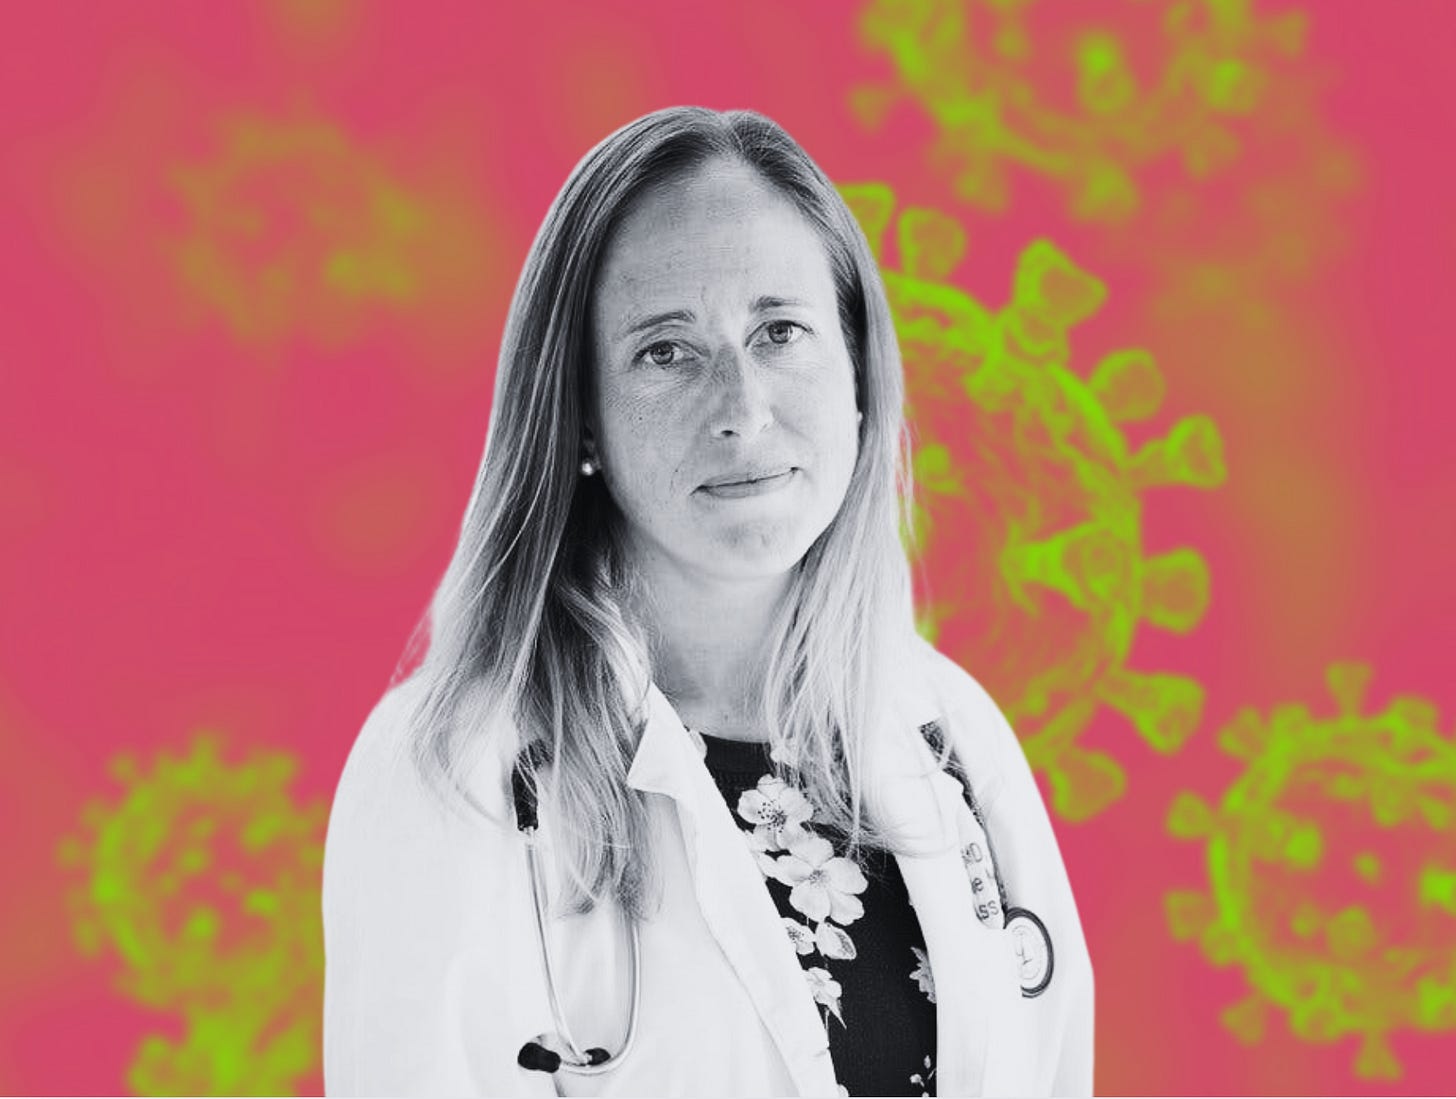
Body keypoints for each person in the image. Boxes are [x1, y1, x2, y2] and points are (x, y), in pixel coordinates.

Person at [321, 105, 1094, 1097]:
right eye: (666, 351)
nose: (743, 408)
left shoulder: (951, 732)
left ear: (858, 374)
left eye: (780, 332)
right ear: (581, 417)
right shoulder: (455, 764)